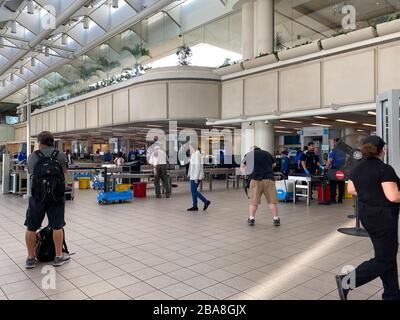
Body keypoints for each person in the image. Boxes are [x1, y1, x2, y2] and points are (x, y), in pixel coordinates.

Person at [335, 136, 400, 300]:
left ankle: (392, 294)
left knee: (387, 255)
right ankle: (347, 281)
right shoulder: (384, 169)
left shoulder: (357, 168)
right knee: (384, 259)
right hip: (383, 218)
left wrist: (370, 192)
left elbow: (351, 189)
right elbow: (393, 197)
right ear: (381, 150)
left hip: (368, 216)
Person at [24, 131, 70, 269]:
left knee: (31, 227)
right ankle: (57, 256)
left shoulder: (33, 156)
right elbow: (64, 172)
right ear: (52, 141)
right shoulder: (60, 155)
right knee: (57, 226)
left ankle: (31, 258)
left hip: (37, 196)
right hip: (56, 196)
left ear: (40, 142)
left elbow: (31, 172)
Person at [240, 145, 280, 227]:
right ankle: (276, 219)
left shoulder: (249, 154)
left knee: (253, 202)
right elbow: (274, 164)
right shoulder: (268, 154)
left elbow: (242, 167)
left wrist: (246, 174)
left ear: (252, 150)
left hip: (255, 180)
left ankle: (251, 219)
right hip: (269, 180)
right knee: (272, 201)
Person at [187, 145, 210, 212]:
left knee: (194, 191)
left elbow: (198, 167)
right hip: (192, 175)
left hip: (195, 176)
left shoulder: (197, 155)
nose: (189, 149)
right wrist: (188, 173)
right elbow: (191, 166)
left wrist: (196, 177)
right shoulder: (193, 155)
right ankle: (195, 206)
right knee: (193, 191)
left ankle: (206, 201)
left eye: (190, 147)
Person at [326, 138, 346, 204]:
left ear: (336, 143)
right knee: (341, 185)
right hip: (342, 170)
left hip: (334, 170)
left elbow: (330, 160)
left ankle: (333, 199)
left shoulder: (334, 150)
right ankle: (340, 199)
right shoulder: (344, 151)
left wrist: (326, 167)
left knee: (333, 184)